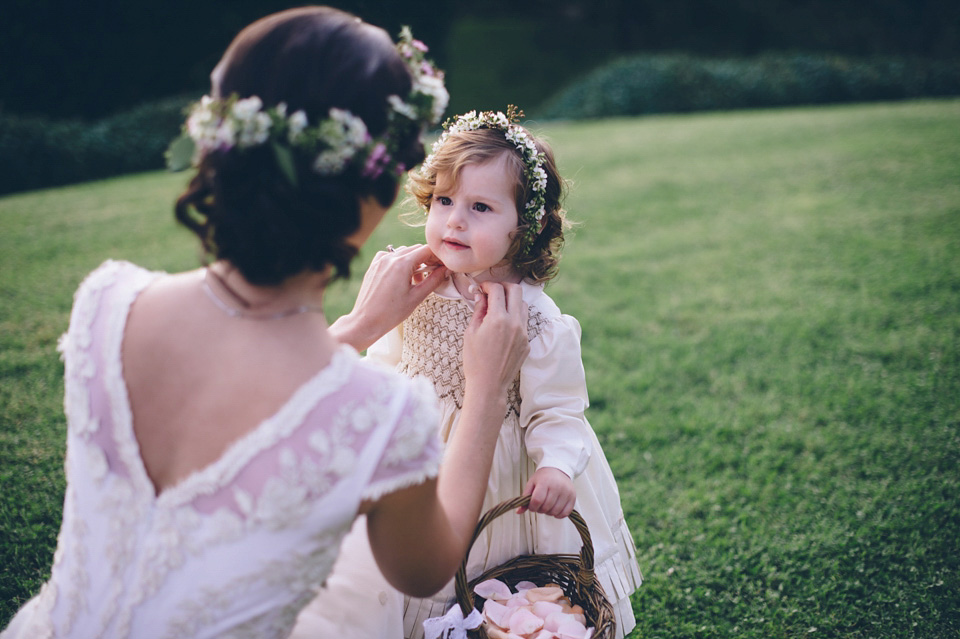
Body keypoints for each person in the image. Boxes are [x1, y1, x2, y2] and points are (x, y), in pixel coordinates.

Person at [1, 8, 531, 639]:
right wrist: (489, 390)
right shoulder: (381, 415)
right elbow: (427, 569)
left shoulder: (108, 307)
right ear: (379, 190)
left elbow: (252, 403)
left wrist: (362, 325)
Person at [292, 109, 643, 639]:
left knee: (485, 573)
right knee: (406, 568)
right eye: (443, 201)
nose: (454, 220)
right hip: (420, 453)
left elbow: (560, 410)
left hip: (502, 473)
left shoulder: (538, 320)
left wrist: (555, 467)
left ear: (524, 226)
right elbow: (385, 366)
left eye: (480, 207)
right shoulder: (418, 289)